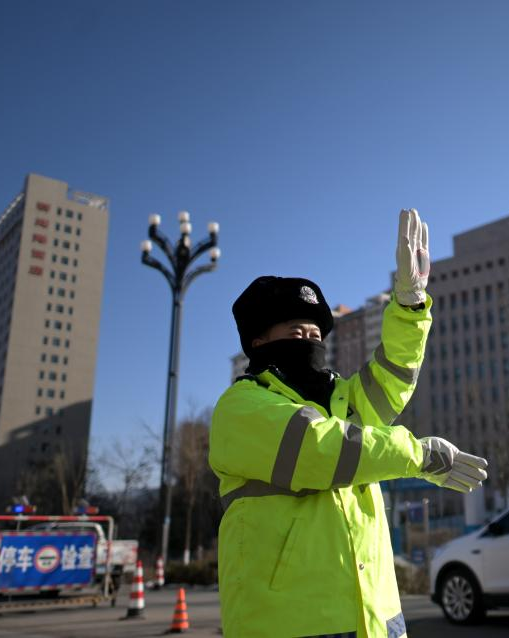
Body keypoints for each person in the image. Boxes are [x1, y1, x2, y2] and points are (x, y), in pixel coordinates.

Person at [209, 209, 488, 638]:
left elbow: (394, 376)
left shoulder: (341, 398)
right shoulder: (241, 406)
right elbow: (324, 450)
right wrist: (420, 456)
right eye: (297, 334)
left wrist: (410, 304)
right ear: (258, 342)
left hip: (376, 620)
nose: (310, 343)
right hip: (290, 624)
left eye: (317, 336)